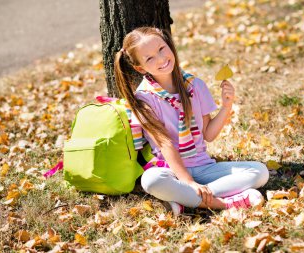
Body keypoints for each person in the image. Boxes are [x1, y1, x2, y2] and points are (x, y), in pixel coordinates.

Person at [113, 27, 269, 215]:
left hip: (203, 167)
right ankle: (226, 203)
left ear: (169, 45)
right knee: (151, 180)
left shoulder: (195, 85)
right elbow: (165, 144)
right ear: (140, 68)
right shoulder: (144, 98)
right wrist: (187, 181)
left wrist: (227, 106)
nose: (161, 59)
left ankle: (184, 200)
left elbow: (209, 134)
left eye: (162, 49)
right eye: (149, 58)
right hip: (170, 170)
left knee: (260, 172)